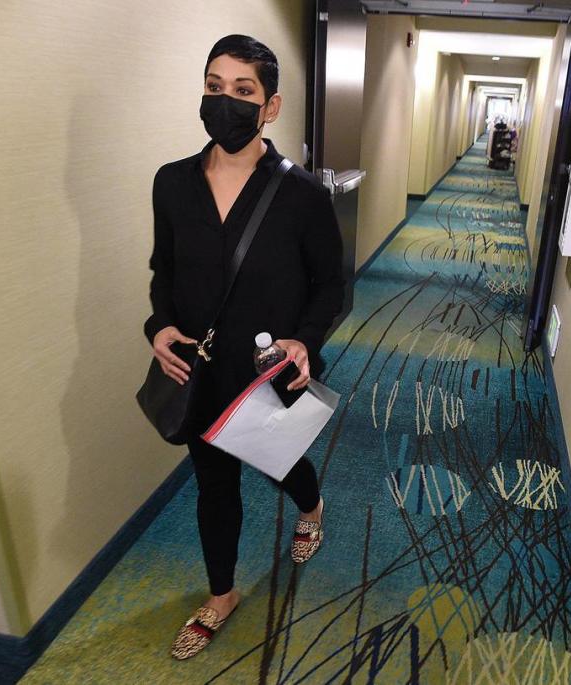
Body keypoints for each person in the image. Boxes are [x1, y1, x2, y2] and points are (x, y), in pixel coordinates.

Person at [142, 34, 345, 660]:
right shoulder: (173, 184)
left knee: (279, 461)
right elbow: (164, 275)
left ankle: (310, 509)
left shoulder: (302, 194)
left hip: (267, 370)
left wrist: (304, 341)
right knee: (214, 487)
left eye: (242, 91)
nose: (224, 101)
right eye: (213, 86)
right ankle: (222, 593)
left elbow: (332, 287)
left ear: (271, 106)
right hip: (201, 371)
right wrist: (159, 329)